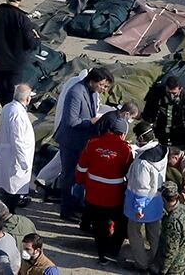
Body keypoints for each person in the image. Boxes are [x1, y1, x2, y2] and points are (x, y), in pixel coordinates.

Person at [53, 67, 114, 220]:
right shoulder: (76, 93)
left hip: (83, 141)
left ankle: (77, 203)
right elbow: (71, 121)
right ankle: (66, 210)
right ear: (92, 81)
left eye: (106, 87)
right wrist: (93, 121)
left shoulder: (92, 93)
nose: (104, 89)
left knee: (80, 175)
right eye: (102, 85)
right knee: (69, 176)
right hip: (71, 142)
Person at [76, 115, 133, 263]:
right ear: (122, 134)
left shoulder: (92, 144)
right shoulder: (125, 149)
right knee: (123, 223)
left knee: (99, 227)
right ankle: (113, 248)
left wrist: (80, 182)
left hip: (93, 195)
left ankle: (102, 256)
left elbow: (81, 168)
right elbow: (129, 172)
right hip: (114, 197)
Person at [140, 75, 185, 186]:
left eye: (174, 93)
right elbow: (148, 113)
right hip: (160, 129)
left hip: (180, 131)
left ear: (180, 89)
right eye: (168, 92)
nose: (171, 96)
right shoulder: (157, 92)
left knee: (177, 162)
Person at [123, 129, 168, 272]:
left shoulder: (143, 162)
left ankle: (141, 263)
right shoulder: (162, 151)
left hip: (141, 204)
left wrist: (138, 208)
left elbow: (141, 188)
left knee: (134, 232)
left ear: (142, 137)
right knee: (154, 234)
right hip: (156, 201)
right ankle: (156, 262)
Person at [0, 84, 35, 211]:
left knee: (9, 187)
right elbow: (18, 140)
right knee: (13, 190)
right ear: (27, 99)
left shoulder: (8, 107)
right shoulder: (17, 114)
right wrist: (24, 163)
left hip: (9, 154)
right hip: (15, 158)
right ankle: (9, 213)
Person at [157, 185, 185, 275]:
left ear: (164, 199)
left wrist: (162, 271)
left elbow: (170, 251)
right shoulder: (183, 209)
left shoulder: (172, 222)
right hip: (183, 258)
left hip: (173, 267)